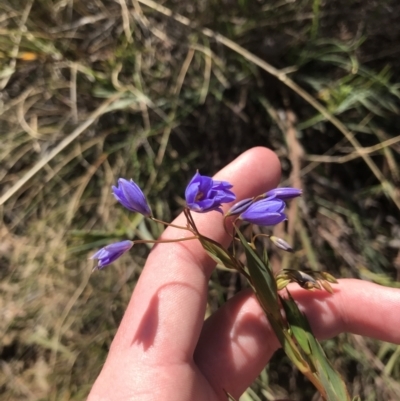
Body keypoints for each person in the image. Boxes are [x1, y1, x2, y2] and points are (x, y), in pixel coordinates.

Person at [87, 147, 400, 401]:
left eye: (201, 198)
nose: (201, 199)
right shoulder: (201, 218)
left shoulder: (217, 216)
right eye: (197, 198)